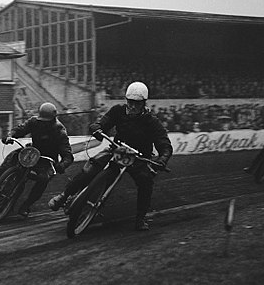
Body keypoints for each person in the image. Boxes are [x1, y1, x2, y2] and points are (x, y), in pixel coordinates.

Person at [48, 81, 172, 231]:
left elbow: (164, 144)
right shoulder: (118, 111)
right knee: (90, 167)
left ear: (144, 103)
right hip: (116, 150)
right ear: (126, 100)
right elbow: (104, 122)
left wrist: (163, 158)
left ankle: (140, 218)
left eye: (137, 103)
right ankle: (64, 195)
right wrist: (97, 127)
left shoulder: (152, 122)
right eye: (130, 102)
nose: (133, 106)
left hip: (137, 158)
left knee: (146, 182)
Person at [0, 102, 74, 217]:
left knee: (43, 180)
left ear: (53, 119)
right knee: (4, 167)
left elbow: (68, 156)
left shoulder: (60, 131)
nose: (43, 123)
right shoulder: (34, 121)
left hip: (47, 160)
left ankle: (26, 205)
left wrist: (62, 165)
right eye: (42, 120)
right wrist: (11, 135)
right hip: (31, 153)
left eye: (47, 121)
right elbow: (21, 129)